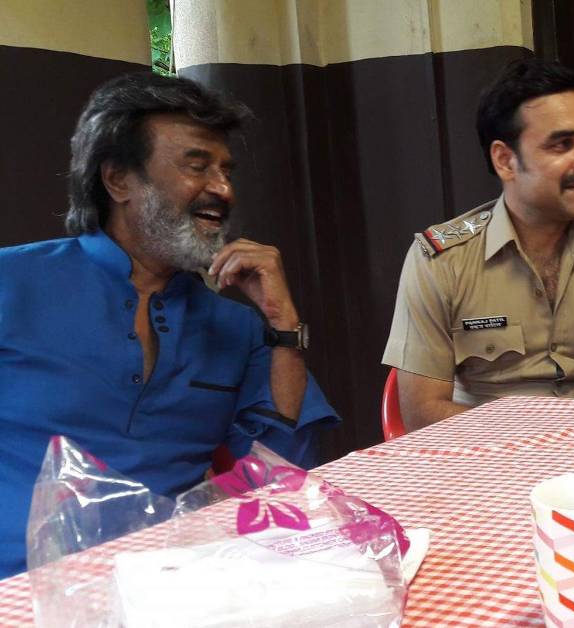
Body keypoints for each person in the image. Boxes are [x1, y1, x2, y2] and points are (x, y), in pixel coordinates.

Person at [0, 73, 340, 577]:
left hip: (173, 583)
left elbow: (281, 470)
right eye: (195, 165)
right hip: (19, 582)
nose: (222, 190)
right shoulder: (12, 281)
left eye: (226, 170)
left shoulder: (238, 327)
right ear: (118, 180)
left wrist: (282, 323)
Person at [383, 58, 574, 431]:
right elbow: (422, 411)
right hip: (484, 455)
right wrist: (535, 442)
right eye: (562, 144)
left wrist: (558, 437)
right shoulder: (441, 260)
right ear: (505, 160)